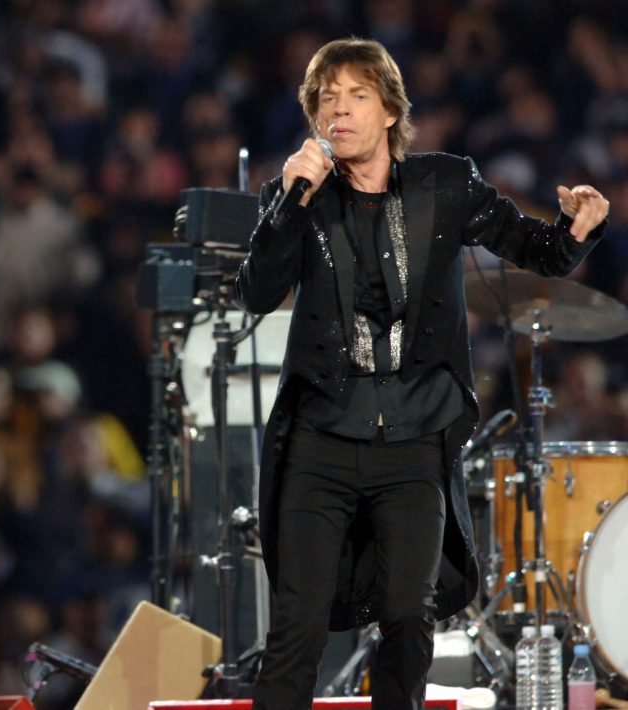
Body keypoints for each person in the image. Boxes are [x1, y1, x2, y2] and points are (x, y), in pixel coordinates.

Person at [236, 38, 607, 709]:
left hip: (412, 442)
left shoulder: (446, 185)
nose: (339, 110)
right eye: (326, 99)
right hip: (320, 438)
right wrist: (290, 198)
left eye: (356, 96)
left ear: (388, 112)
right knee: (297, 625)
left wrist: (577, 227)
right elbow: (256, 291)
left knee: (409, 616)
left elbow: (539, 251)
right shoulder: (297, 198)